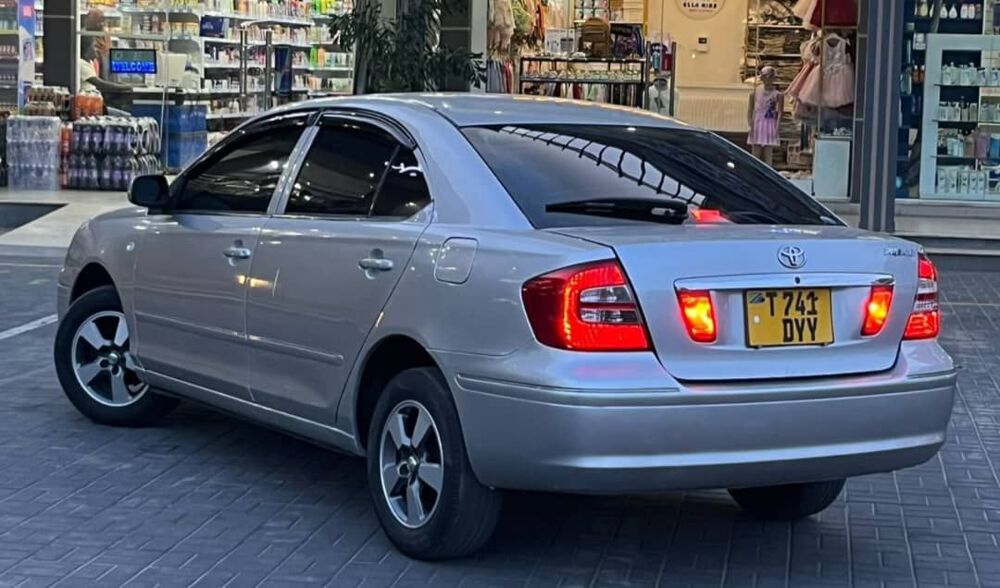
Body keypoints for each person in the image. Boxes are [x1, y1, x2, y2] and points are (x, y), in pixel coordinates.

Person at [79, 9, 133, 112]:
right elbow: (100, 84)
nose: (100, 24)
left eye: (101, 21)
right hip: (97, 93)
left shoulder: (104, 36)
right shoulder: (84, 37)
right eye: (97, 21)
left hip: (106, 78)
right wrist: (124, 87)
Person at [747, 66, 784, 167]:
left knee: (768, 153)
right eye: (765, 77)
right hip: (757, 124)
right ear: (762, 78)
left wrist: (777, 127)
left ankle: (768, 170)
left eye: (771, 77)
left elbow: (780, 112)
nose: (768, 80)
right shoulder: (755, 93)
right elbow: (750, 109)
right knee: (755, 153)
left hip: (769, 124)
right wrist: (750, 125)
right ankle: (754, 171)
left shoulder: (778, 94)